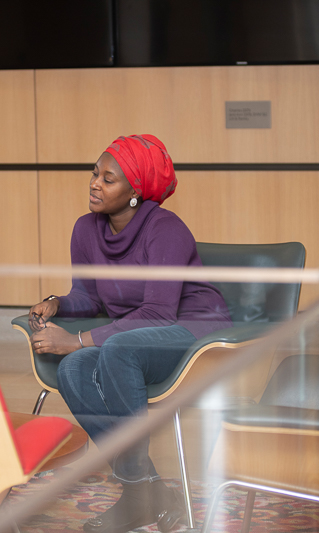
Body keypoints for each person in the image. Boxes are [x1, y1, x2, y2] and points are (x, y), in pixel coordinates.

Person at [28, 134, 232, 533]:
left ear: (135, 192)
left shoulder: (166, 229)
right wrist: (57, 303)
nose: (94, 184)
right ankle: (145, 491)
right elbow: (88, 296)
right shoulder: (86, 230)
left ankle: (142, 496)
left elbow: (158, 312)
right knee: (73, 369)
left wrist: (76, 340)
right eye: (94, 174)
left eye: (108, 179)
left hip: (194, 331)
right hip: (134, 336)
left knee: (113, 349)